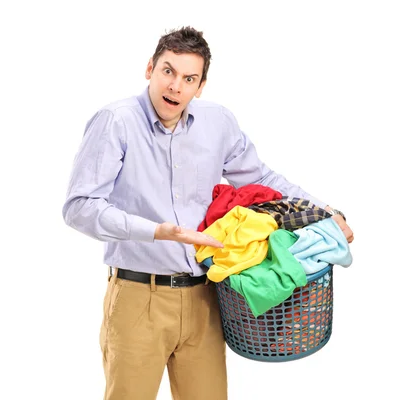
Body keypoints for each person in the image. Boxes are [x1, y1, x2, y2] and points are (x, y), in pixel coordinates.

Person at [62, 26, 354, 400]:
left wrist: (324, 210)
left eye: (189, 78)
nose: (175, 87)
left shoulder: (217, 122)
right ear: (149, 68)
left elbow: (260, 177)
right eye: (168, 71)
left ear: (200, 86)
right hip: (139, 297)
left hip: (206, 296)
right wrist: (158, 231)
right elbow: (79, 206)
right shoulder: (115, 121)